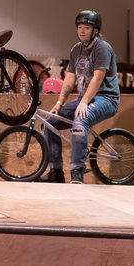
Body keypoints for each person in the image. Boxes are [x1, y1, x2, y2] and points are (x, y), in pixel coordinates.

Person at [39, 10, 120, 184]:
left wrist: (83, 102)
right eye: (79, 27)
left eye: (86, 27)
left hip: (106, 98)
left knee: (80, 120)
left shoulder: (102, 48)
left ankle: (77, 172)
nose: (82, 31)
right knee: (50, 123)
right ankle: (55, 172)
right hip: (86, 98)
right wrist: (59, 104)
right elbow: (69, 80)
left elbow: (98, 77)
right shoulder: (76, 50)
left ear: (95, 30)